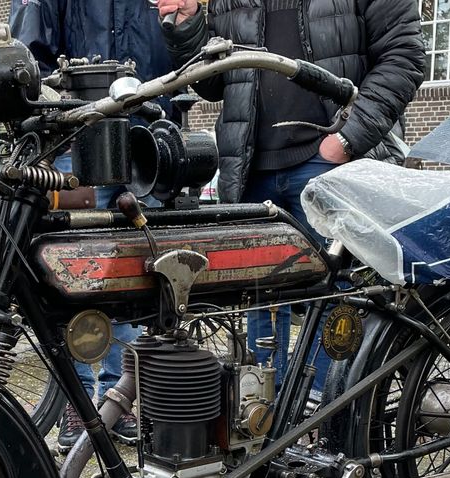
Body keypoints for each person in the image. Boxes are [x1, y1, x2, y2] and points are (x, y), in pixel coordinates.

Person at [155, 0, 425, 383]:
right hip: (251, 171)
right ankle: (274, 414)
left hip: (329, 164)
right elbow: (214, 81)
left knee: (335, 301)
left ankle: (325, 420)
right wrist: (187, 26)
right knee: (261, 299)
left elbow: (405, 57)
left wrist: (346, 141)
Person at [11, 0, 175, 449]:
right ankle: (81, 402)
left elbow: (184, 49)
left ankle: (128, 400)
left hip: (151, 138)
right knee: (77, 272)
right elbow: (31, 51)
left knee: (150, 276)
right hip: (81, 137)